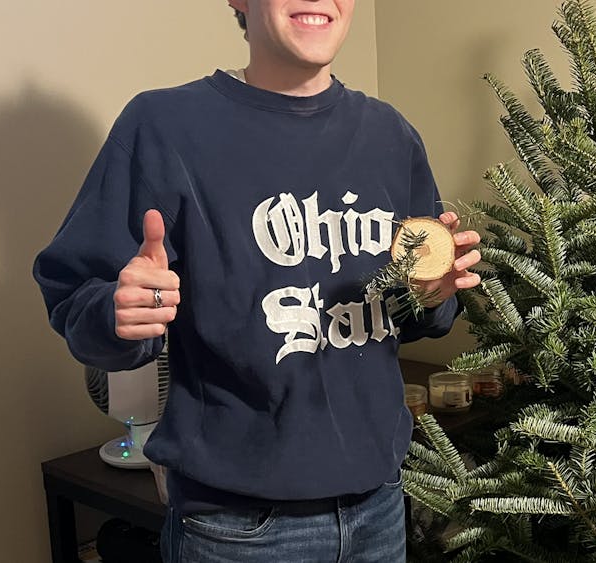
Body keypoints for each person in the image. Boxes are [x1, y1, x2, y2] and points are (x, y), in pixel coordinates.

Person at [31, 0, 481, 561]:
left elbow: (417, 312)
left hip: (381, 505)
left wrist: (433, 294)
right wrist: (117, 314)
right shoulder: (164, 126)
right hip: (237, 528)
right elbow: (77, 294)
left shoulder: (391, 135)